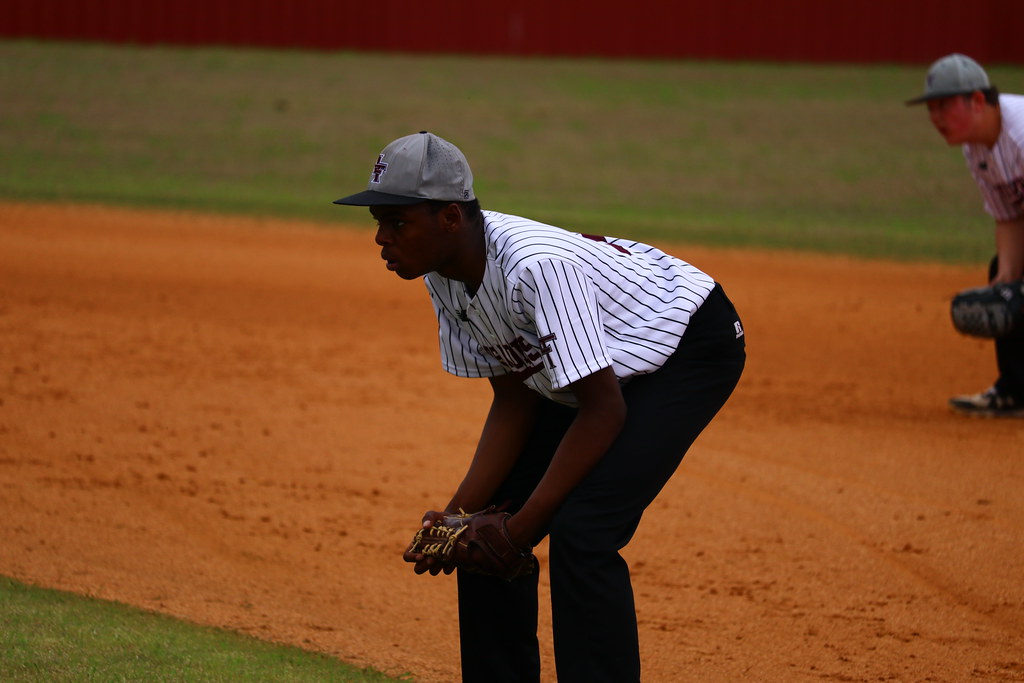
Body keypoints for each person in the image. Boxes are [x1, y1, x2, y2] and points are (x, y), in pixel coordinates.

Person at [334, 131, 746, 682]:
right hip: (598, 366)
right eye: (378, 223)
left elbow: (603, 410)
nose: (381, 238)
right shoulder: (446, 273)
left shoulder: (535, 267)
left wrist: (520, 530)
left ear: (450, 218)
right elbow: (514, 398)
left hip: (685, 344)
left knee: (583, 529)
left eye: (397, 222)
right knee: (478, 533)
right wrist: (458, 515)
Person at [907, 53, 1024, 418]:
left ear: (977, 101)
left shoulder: (1021, 134)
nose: (935, 118)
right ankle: (1015, 390)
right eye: (931, 108)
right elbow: (1008, 217)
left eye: (943, 106)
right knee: (1003, 278)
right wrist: (1007, 279)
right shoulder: (975, 149)